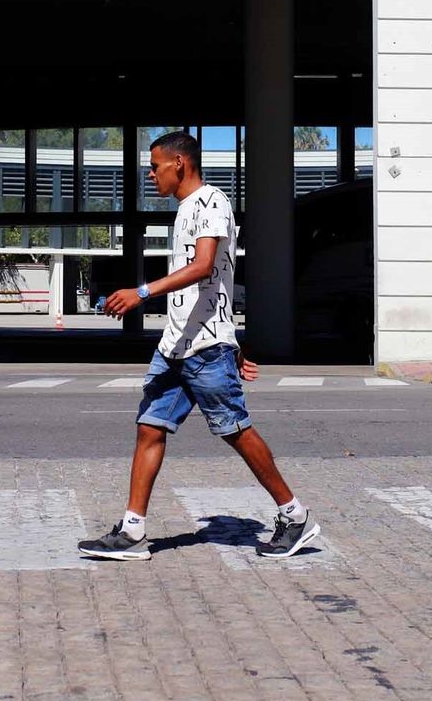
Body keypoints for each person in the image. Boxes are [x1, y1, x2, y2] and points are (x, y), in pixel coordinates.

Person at [78, 131, 320, 561]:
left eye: (154, 167)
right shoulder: (187, 208)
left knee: (236, 432)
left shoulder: (211, 201)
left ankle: (295, 515)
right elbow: (217, 287)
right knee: (150, 427)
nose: (150, 175)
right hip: (177, 345)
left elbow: (206, 267)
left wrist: (142, 291)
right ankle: (133, 532)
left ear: (179, 164)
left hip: (205, 349)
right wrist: (236, 344)